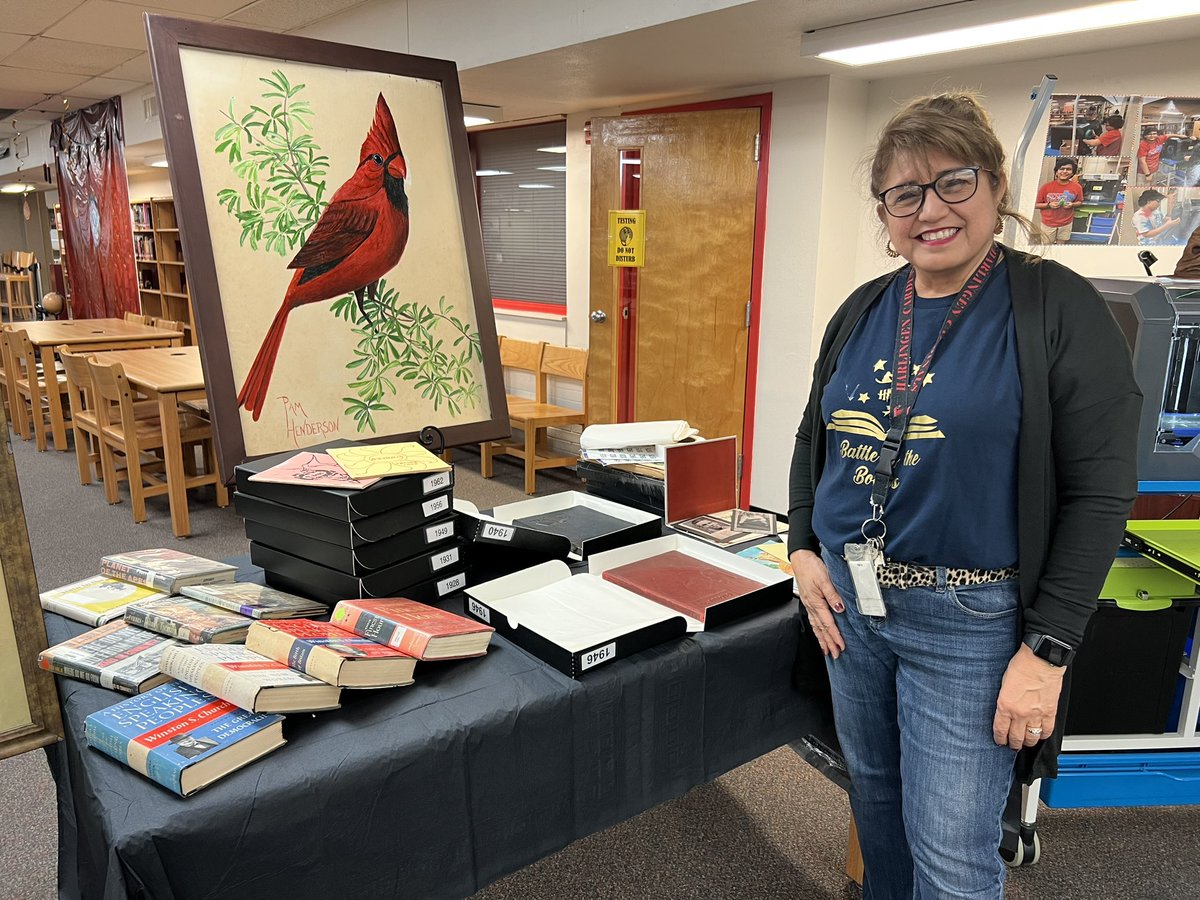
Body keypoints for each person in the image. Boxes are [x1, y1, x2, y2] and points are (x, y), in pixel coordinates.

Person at [787, 92, 1141, 899]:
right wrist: (803, 546)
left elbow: (1100, 492)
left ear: (994, 187)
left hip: (972, 622)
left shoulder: (1056, 307)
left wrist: (1048, 652)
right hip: (851, 608)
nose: (931, 210)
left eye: (954, 181)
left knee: (951, 853)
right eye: (904, 194)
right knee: (876, 808)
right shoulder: (864, 309)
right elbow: (816, 437)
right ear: (884, 212)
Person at [1033, 158, 1085, 243]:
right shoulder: (1046, 187)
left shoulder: (1077, 187)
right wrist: (1049, 205)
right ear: (1056, 172)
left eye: (1068, 169)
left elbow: (1080, 202)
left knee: (1061, 245)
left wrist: (1072, 204)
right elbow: (1035, 205)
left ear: (1072, 172)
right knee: (1046, 246)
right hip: (1048, 224)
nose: (1064, 171)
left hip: (1066, 223)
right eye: (1061, 169)